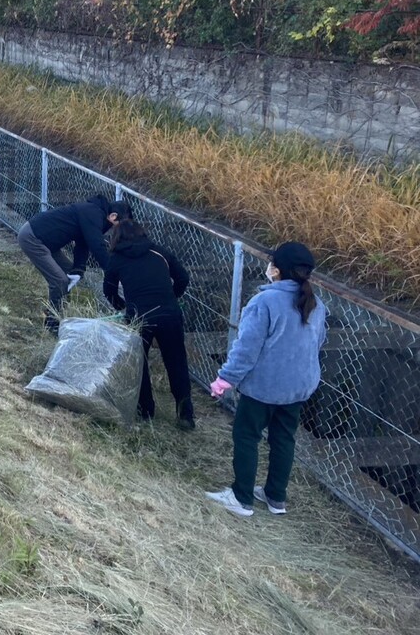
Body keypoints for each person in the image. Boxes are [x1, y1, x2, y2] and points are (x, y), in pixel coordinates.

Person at [205, 242, 326, 518]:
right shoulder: (317, 304)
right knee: (283, 439)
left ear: (277, 270)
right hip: (298, 388)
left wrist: (225, 380)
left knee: (246, 435)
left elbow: (246, 349)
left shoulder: (265, 301)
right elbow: (317, 343)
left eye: (272, 263)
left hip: (264, 387)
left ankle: (241, 497)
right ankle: (276, 497)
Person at [103, 220, 195, 429]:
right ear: (141, 233)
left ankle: (145, 410)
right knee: (176, 362)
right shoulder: (158, 251)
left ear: (116, 238)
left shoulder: (116, 259)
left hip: (139, 316)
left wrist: (123, 307)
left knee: (140, 362)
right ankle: (185, 414)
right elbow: (183, 277)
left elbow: (108, 290)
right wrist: (172, 297)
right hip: (169, 313)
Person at [18, 194, 132, 334]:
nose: (120, 230)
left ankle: (60, 310)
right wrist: (112, 272)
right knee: (59, 280)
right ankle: (52, 322)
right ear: (113, 216)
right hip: (33, 238)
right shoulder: (93, 213)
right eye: (121, 225)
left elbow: (83, 242)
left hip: (47, 242)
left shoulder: (96, 214)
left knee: (68, 272)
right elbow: (97, 246)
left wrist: (78, 269)